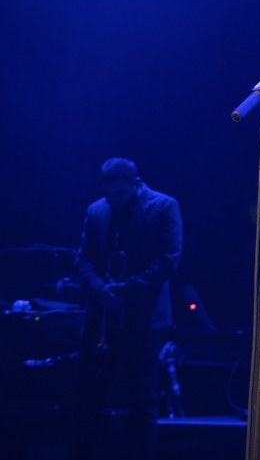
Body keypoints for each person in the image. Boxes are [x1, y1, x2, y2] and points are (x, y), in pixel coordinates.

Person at [71, 157, 183, 460]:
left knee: (142, 401)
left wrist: (125, 291)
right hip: (102, 316)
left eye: (120, 195)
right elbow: (82, 260)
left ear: (136, 183)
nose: (115, 201)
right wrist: (100, 290)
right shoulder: (97, 210)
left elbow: (168, 258)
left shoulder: (163, 206)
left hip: (143, 319)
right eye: (110, 195)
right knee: (87, 397)